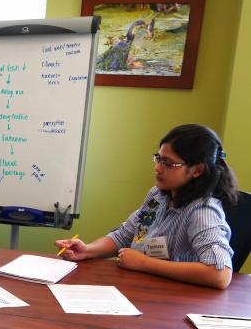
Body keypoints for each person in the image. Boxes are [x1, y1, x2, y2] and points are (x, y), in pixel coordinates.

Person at [56, 124, 238, 289]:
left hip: (174, 302)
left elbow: (219, 274)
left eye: (168, 163)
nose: (157, 168)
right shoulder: (157, 196)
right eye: (158, 159)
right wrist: (87, 250)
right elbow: (125, 235)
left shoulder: (202, 211)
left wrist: (143, 263)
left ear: (197, 170)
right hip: (141, 288)